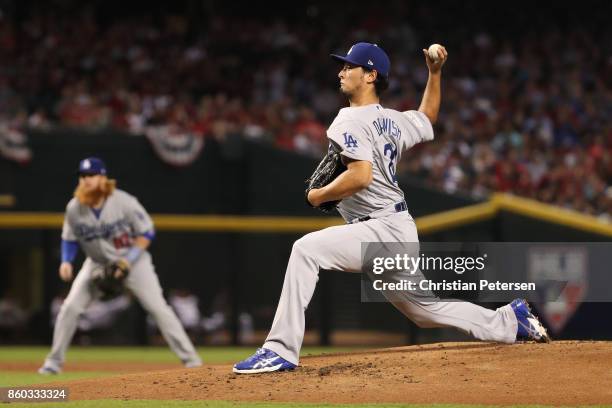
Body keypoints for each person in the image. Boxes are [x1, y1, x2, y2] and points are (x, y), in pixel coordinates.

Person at [233, 42, 549, 374]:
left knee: (305, 250)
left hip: (379, 229)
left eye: (349, 67)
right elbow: (427, 118)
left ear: (370, 75)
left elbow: (361, 176)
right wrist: (435, 73)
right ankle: (512, 321)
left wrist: (319, 195)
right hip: (395, 227)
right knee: (425, 311)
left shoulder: (347, 120)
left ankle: (279, 349)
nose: (341, 71)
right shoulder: (392, 121)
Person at [38, 157, 202, 374]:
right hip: (96, 263)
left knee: (158, 308)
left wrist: (128, 260)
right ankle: (53, 362)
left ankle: (192, 361)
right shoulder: (74, 208)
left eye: (92, 175)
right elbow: (69, 238)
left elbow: (146, 232)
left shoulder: (123, 201)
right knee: (70, 307)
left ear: (103, 177)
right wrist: (67, 261)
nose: (86, 180)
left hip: (134, 262)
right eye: (83, 176)